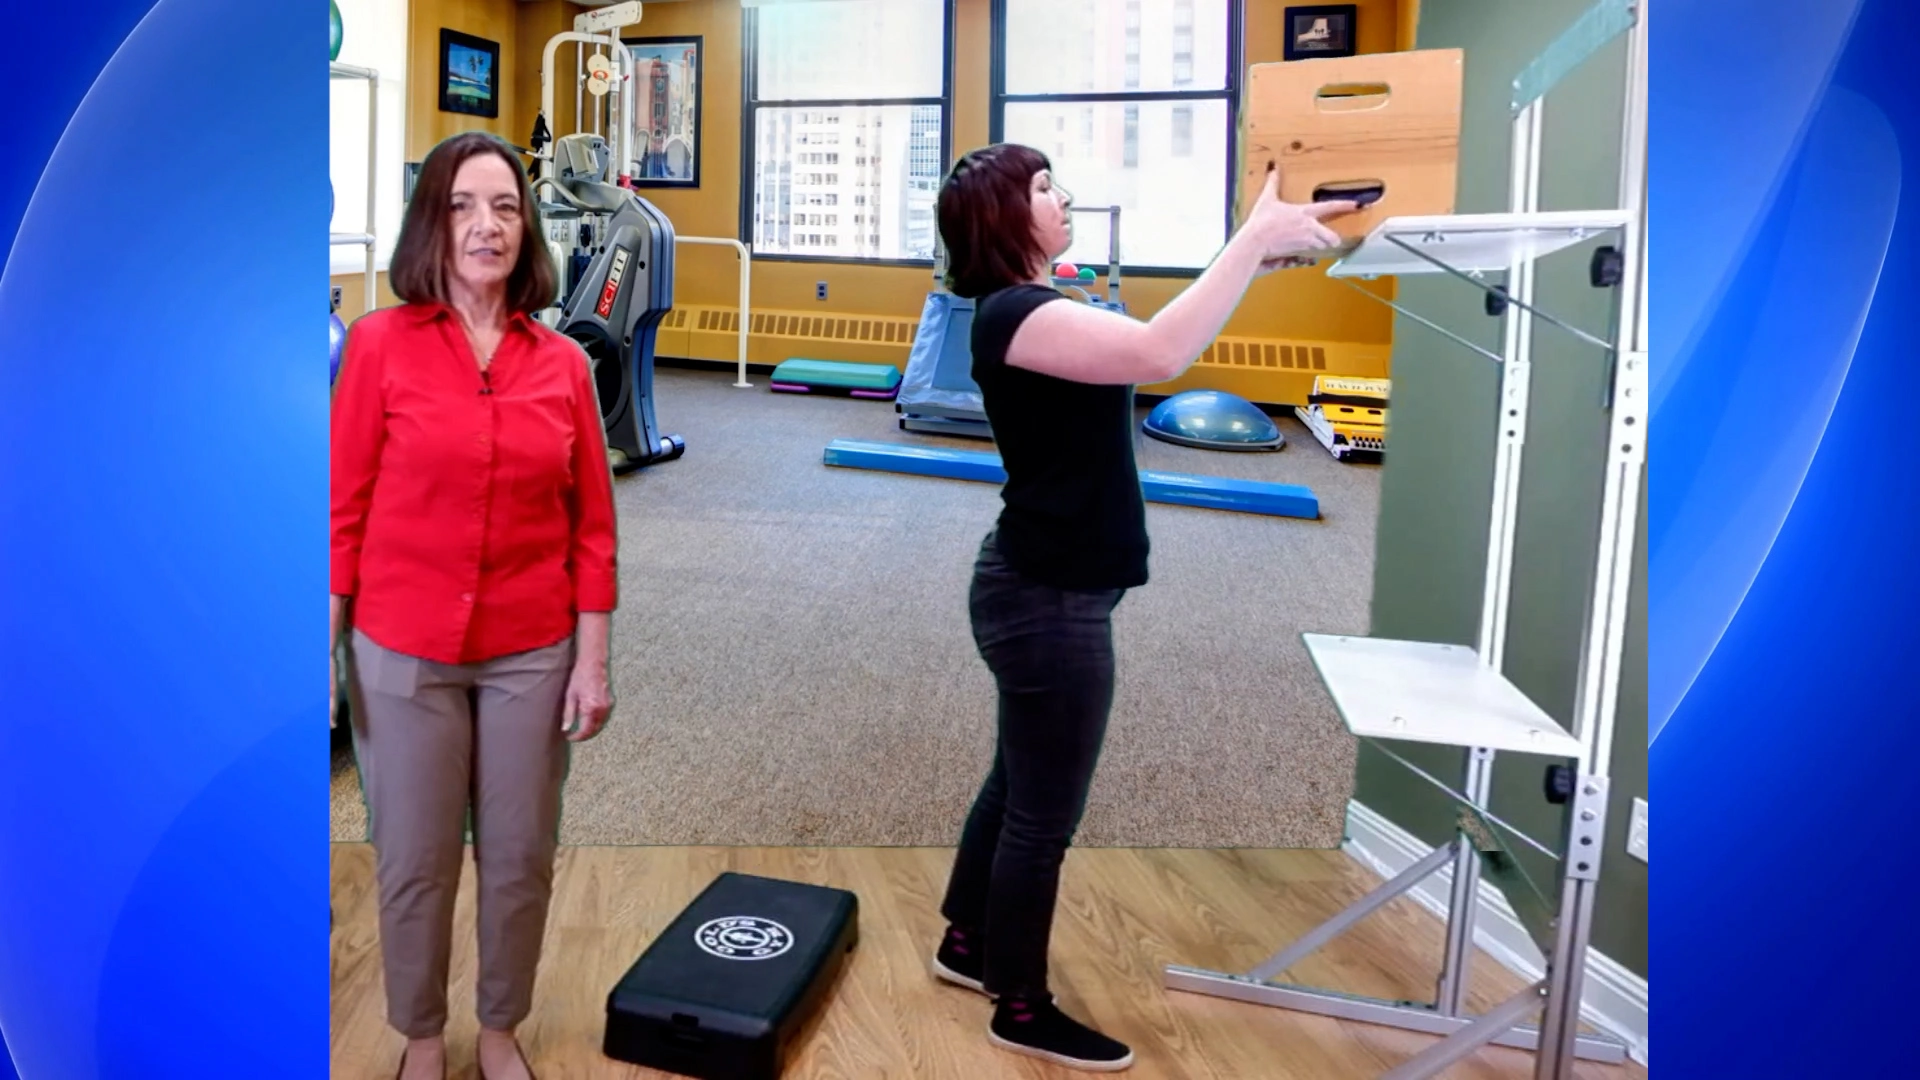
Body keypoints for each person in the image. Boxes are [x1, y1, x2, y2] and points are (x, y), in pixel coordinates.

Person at [927, 143, 1356, 1072]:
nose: (1064, 196)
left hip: (1046, 586)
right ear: (1003, 216)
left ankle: (966, 944)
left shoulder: (1039, 306)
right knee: (1045, 813)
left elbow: (1146, 345)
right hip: (1047, 602)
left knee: (1017, 782)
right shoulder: (1014, 313)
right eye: (1044, 188)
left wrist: (1257, 251)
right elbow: (1163, 351)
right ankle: (1020, 1004)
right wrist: (1251, 239)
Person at [330, 131, 619, 1080]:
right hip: (402, 645)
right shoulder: (378, 345)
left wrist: (592, 658)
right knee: (414, 859)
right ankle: (420, 1035)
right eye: (462, 205)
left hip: (531, 647)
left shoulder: (564, 364)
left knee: (520, 853)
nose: (485, 226)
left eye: (504, 206)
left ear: (526, 227)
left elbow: (593, 529)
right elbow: (345, 506)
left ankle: (500, 1029)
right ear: (432, 223)